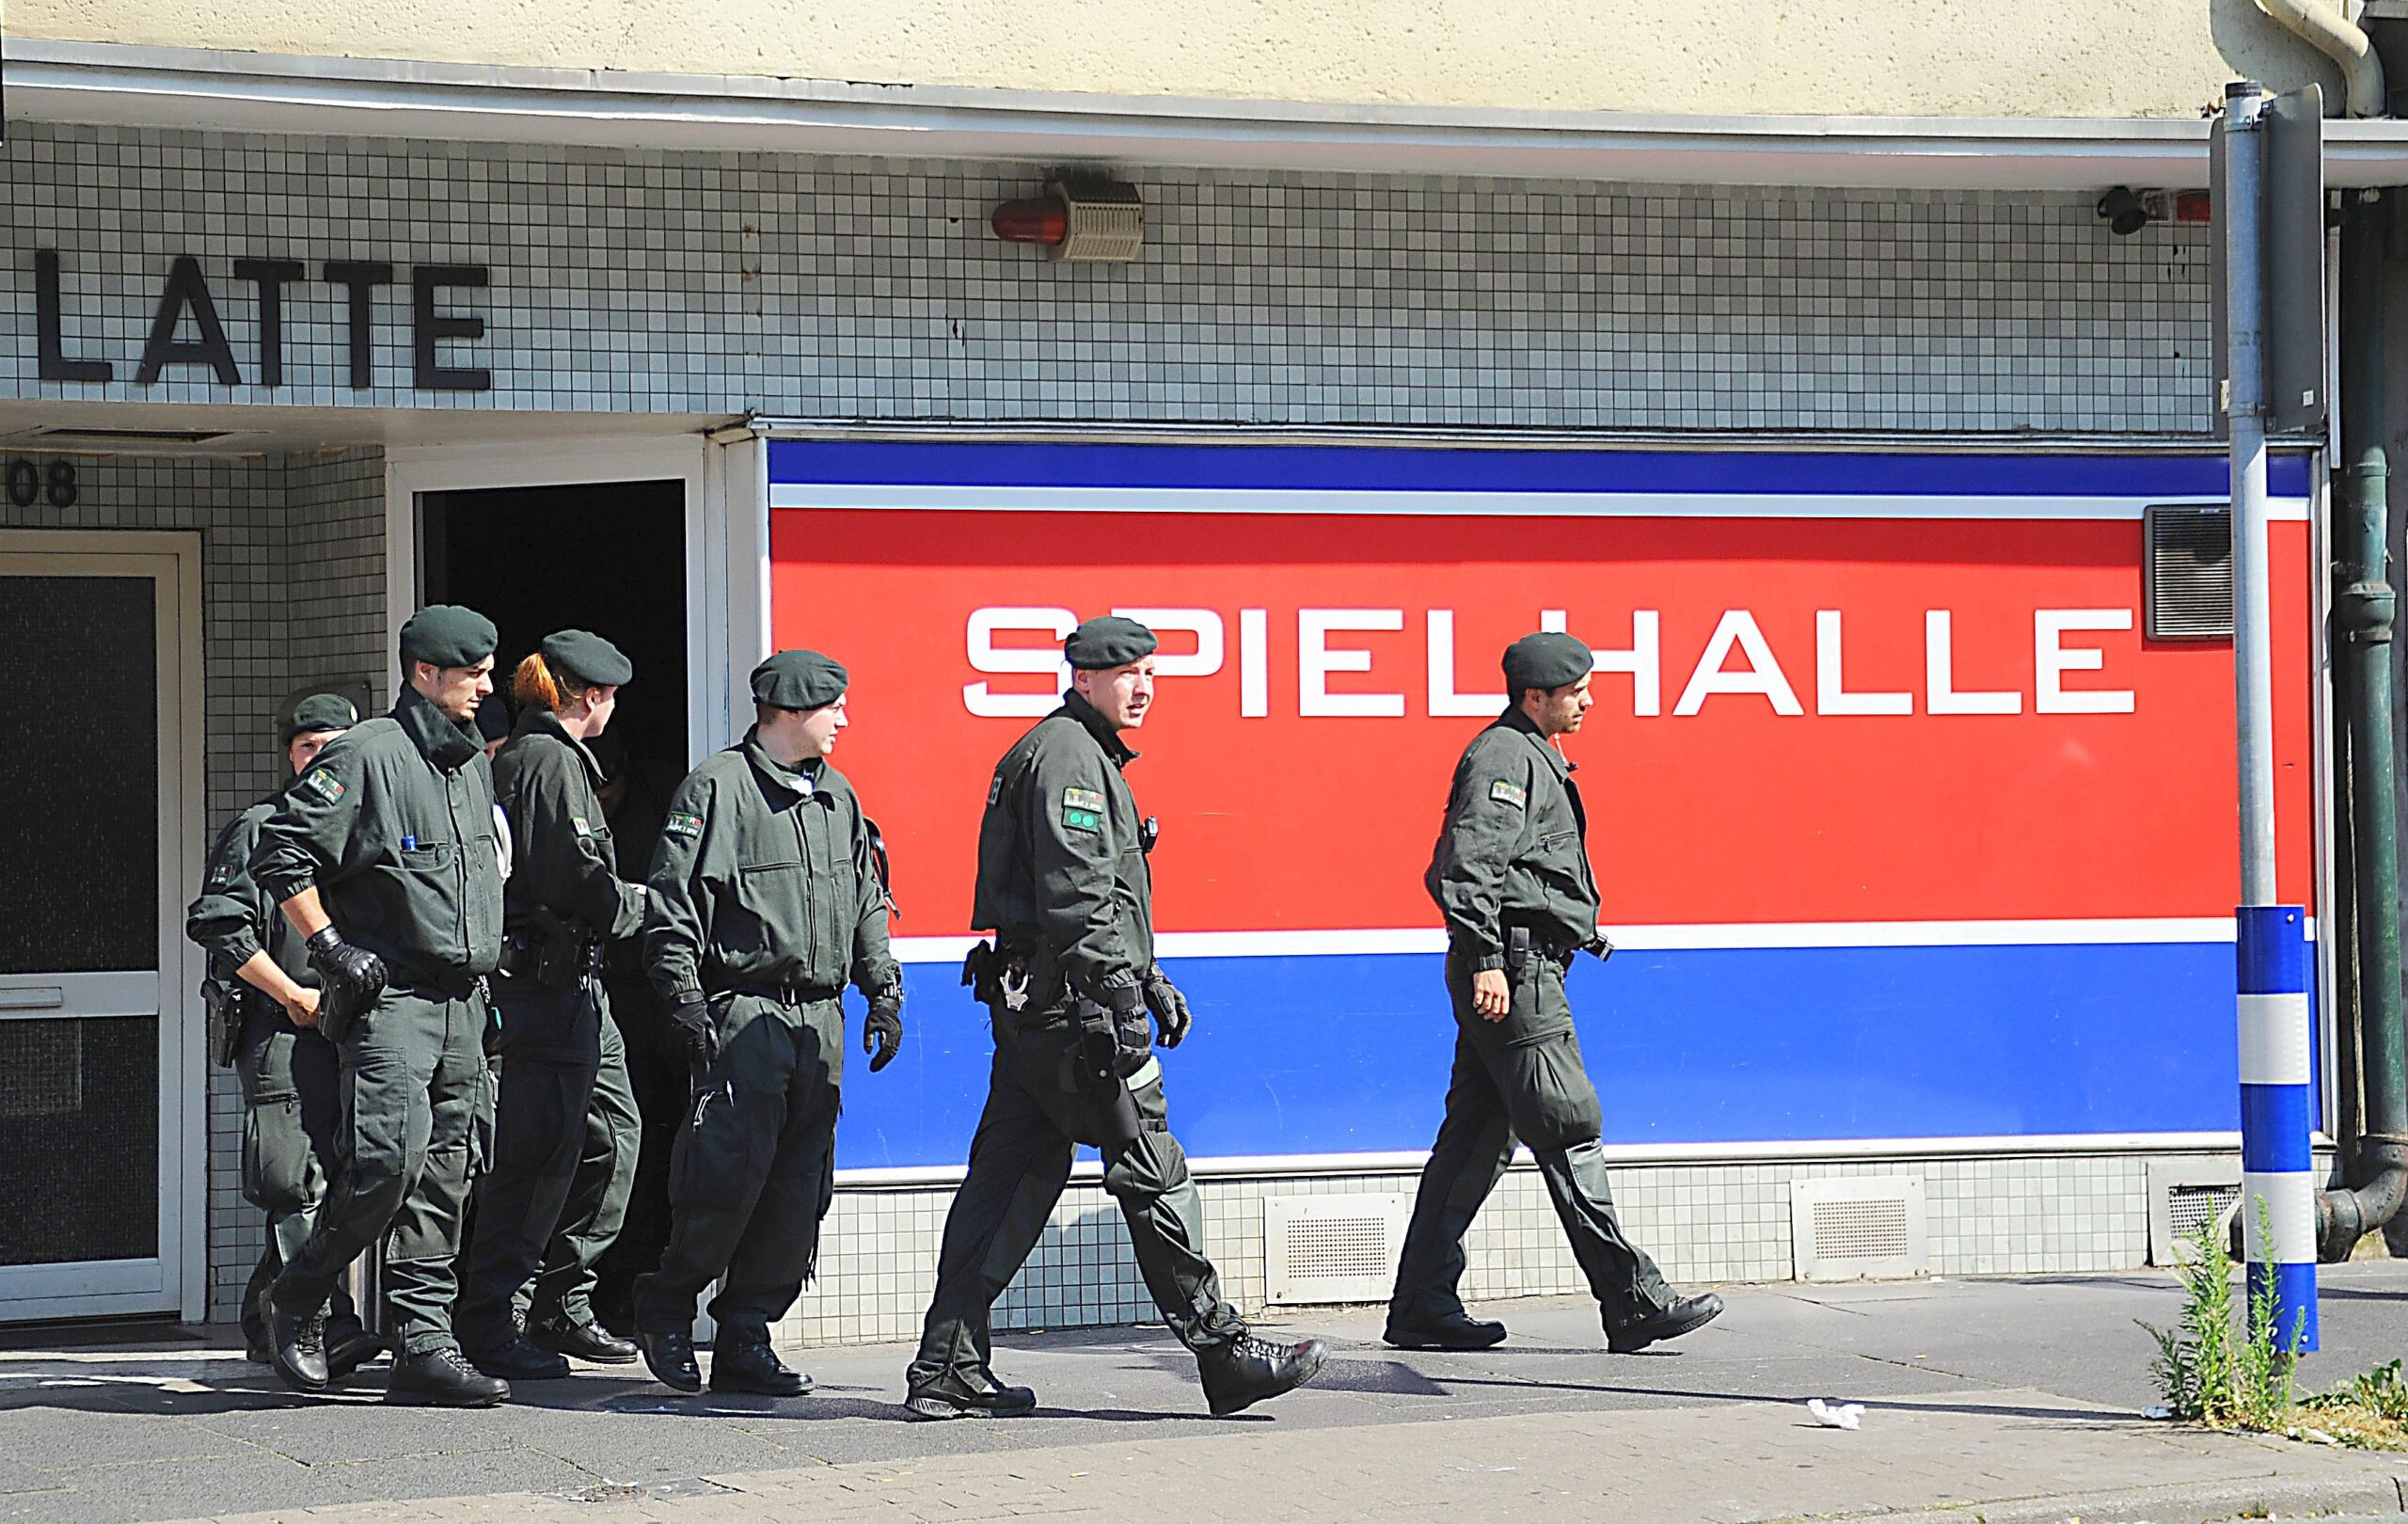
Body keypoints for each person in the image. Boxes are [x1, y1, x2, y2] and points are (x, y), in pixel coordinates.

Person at [907, 615, 1328, 1421]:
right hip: (1078, 1017)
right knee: (1151, 1168)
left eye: (1150, 674)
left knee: (1008, 1186)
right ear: (1085, 679)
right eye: (1126, 674)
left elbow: (1083, 900)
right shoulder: (1070, 758)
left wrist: (1147, 973)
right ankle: (1222, 1350)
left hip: (1041, 1013)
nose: (1143, 689)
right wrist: (1124, 994)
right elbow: (1077, 897)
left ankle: (946, 1366)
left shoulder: (1070, 751)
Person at [1385, 631, 1723, 1355]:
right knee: (1567, 1126)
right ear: (1535, 696)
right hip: (1515, 970)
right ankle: (1631, 1299)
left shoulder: (1528, 753)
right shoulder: (1507, 756)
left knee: (1473, 1142)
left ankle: (1420, 1303)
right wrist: (1484, 960)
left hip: (1516, 967)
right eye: (1576, 691)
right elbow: (1466, 866)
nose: (1588, 700)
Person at [250, 605, 510, 1406]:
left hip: (463, 1001)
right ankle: (299, 1297)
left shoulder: (467, 762)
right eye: (472, 671)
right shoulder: (364, 756)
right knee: (385, 1165)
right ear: (424, 674)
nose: (486, 684)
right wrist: (327, 946)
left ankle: (423, 1343)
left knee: (446, 1171)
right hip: (392, 996)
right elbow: (280, 852)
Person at [630, 650, 905, 1396]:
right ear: (790, 712)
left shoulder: (837, 798)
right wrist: (683, 996)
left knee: (796, 1192)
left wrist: (882, 988)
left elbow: (866, 902)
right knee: (724, 1177)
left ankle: (747, 1333)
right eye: (833, 708)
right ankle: (666, 1304)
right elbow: (672, 904)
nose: (844, 721)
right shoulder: (717, 791)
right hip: (745, 1014)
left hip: (819, 1022)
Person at [454, 631, 645, 1379]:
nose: (613, 707)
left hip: (573, 990)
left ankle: (559, 1301)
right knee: (537, 1157)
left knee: (612, 1140)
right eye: (610, 695)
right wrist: (640, 909)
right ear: (590, 696)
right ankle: (495, 1318)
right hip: (544, 989)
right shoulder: (550, 760)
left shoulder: (544, 757)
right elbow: (574, 876)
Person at [187, 693, 382, 1381]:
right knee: (290, 1178)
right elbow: (218, 925)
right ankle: (326, 1325)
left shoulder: (363, 831)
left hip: (352, 1036)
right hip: (280, 1029)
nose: (319, 761)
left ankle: (263, 1316)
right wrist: (291, 992)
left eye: (334, 749)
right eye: (307, 748)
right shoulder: (260, 827)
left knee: (342, 1182)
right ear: (289, 755)